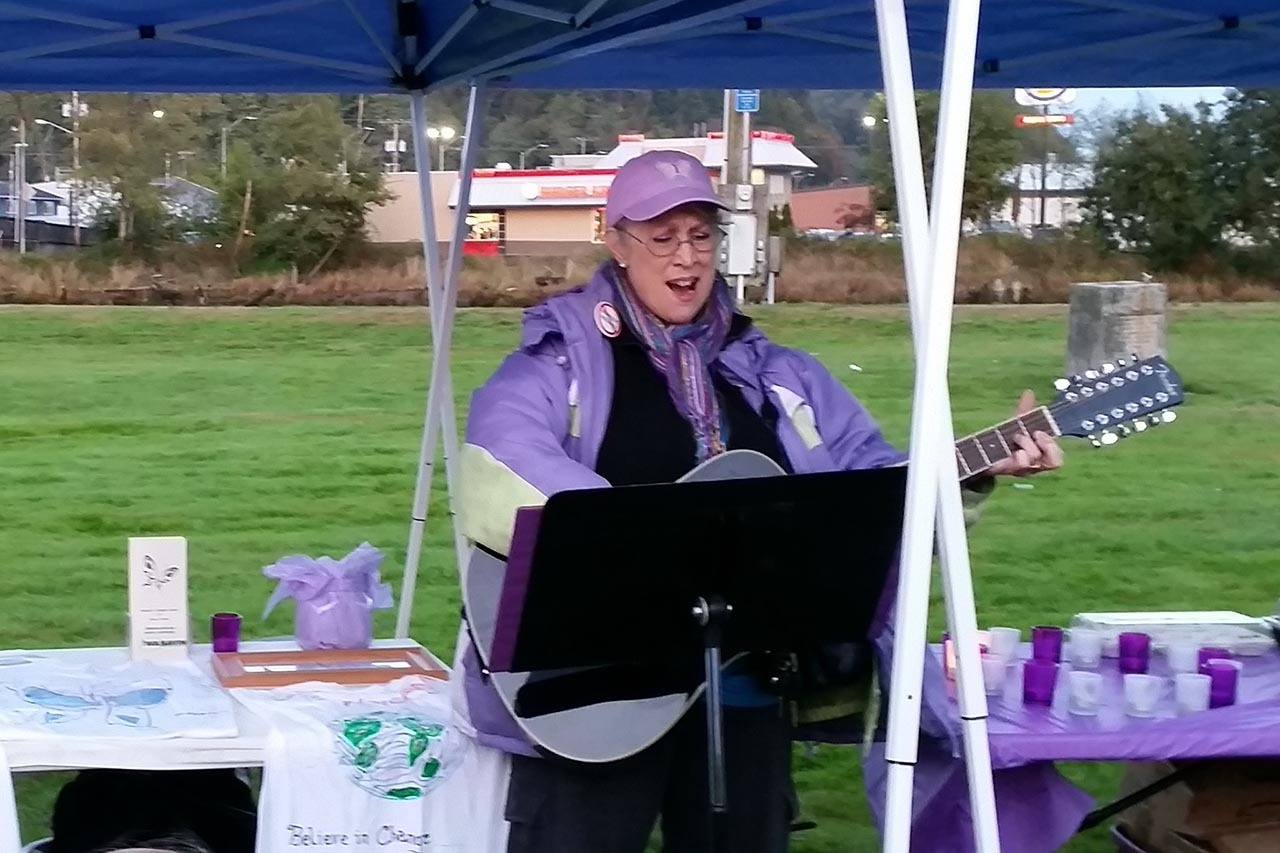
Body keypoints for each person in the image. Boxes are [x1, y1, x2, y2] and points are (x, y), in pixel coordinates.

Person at [455, 149, 1062, 853]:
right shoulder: (558, 362)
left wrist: (974, 472)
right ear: (616, 242)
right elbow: (502, 455)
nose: (687, 256)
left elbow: (871, 497)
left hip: (746, 688)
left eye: (701, 235)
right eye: (662, 237)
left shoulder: (781, 375)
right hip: (593, 691)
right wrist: (648, 540)